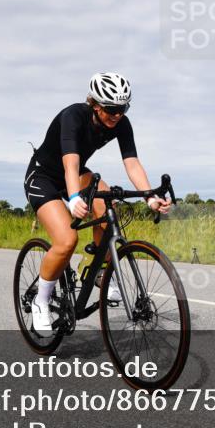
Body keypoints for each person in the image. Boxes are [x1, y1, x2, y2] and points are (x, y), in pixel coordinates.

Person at [24, 72, 171, 333]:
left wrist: (150, 197)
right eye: (111, 109)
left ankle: (95, 268)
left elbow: (132, 163)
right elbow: (70, 163)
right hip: (45, 176)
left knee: (108, 205)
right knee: (66, 241)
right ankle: (41, 300)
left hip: (78, 173)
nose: (117, 115)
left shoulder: (121, 123)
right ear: (94, 104)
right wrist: (73, 199)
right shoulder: (73, 116)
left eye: (123, 108)